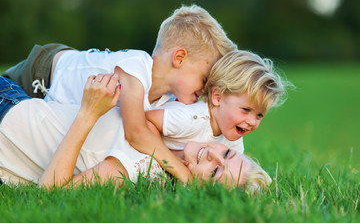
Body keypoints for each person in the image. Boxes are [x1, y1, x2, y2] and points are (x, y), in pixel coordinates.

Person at [2, 5, 238, 183]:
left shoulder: (165, 100)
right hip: (43, 73)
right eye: (204, 80)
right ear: (179, 58)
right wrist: (180, 170)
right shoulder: (135, 70)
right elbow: (136, 133)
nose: (205, 90)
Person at [0, 74, 271, 192]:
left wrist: (89, 113)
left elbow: (50, 192)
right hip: (11, 103)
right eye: (224, 152)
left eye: (215, 171)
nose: (212, 152)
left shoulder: (143, 168)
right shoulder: (184, 124)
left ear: (202, 190)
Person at [145, 50, 287, 156]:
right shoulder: (191, 119)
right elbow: (147, 119)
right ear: (218, 97)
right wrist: (167, 161)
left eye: (259, 115)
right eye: (245, 109)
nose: (251, 121)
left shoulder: (233, 139)